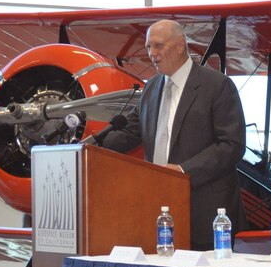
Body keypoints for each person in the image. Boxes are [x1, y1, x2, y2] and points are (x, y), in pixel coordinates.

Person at [105, 19, 245, 250]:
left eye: (158, 46)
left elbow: (231, 145)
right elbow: (129, 131)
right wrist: (87, 148)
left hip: (205, 212)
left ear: (180, 45)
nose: (152, 53)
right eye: (149, 47)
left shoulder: (216, 85)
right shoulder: (151, 88)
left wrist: (182, 172)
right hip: (159, 208)